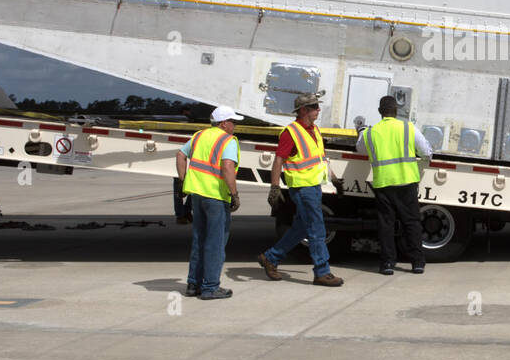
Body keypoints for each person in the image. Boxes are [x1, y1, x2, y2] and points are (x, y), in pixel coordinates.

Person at [260, 92, 345, 287]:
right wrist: (274, 187)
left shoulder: (314, 130)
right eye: (315, 107)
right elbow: (279, 159)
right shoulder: (291, 132)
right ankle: (322, 272)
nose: (319, 110)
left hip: (313, 187)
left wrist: (334, 180)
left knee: (301, 228)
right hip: (302, 188)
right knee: (316, 228)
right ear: (304, 110)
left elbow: (321, 159)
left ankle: (270, 258)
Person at [357, 95, 431, 275]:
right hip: (407, 181)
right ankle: (417, 262)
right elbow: (427, 152)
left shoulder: (370, 132)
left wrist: (360, 130)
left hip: (384, 184)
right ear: (396, 111)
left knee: (386, 225)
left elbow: (360, 148)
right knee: (412, 222)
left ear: (380, 112)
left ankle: (388, 264)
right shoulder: (407, 128)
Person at [176, 106, 241, 300]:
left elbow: (180, 155)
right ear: (223, 124)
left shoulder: (199, 136)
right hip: (216, 197)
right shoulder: (227, 140)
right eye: (233, 122)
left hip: (197, 195)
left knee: (199, 239)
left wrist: (182, 180)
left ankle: (193, 284)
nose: (235, 125)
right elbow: (227, 166)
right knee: (215, 243)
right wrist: (234, 194)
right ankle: (210, 287)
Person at [172, 106, 194, 225]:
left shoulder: (191, 127)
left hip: (189, 161)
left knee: (192, 190)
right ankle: (181, 214)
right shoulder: (179, 126)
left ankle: (185, 211)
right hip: (181, 162)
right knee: (179, 190)